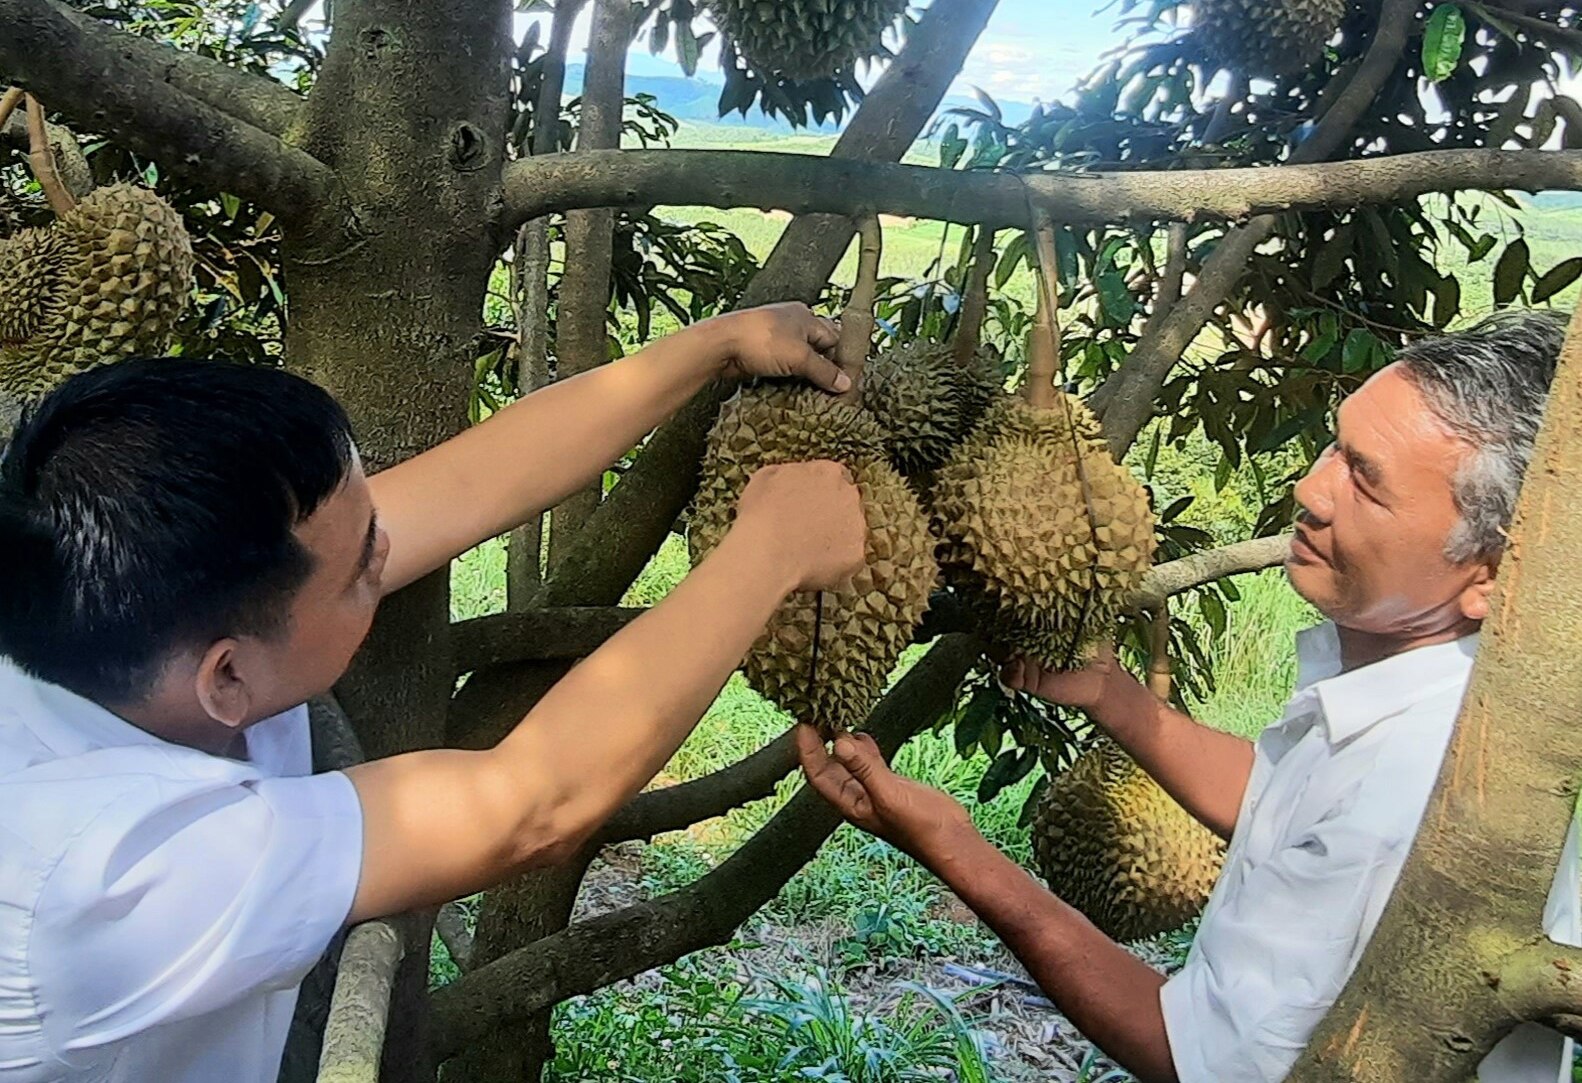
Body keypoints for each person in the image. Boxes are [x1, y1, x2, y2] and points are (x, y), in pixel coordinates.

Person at [0, 302, 869, 1083]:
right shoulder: (100, 877)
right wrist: (772, 552)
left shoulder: (119, 613)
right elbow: (530, 803)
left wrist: (718, 344)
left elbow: (463, 487)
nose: (385, 555)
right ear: (225, 675)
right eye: (357, 573)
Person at [798, 309, 1578, 1083]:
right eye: (1337, 444)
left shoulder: (1410, 796)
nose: (1310, 487)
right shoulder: (1442, 703)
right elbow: (1293, 807)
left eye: (1365, 482)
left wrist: (953, 848)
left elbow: (1195, 1057)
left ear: (1488, 571)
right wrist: (1114, 695)